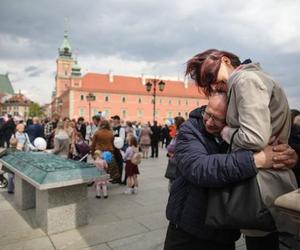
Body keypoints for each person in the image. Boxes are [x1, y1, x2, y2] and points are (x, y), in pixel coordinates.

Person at [186, 49, 298, 249]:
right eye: (206, 83)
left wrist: (227, 131)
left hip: (260, 189)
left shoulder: (244, 80)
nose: (212, 85)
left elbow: (254, 137)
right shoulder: (252, 78)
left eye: (210, 76)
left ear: (225, 60)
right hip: (267, 182)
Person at [164, 93, 298, 250]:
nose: (208, 122)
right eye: (207, 113)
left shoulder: (244, 135)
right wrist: (256, 160)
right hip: (187, 232)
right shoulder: (191, 128)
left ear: (233, 119)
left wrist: (289, 157)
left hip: (224, 231)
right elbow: (199, 168)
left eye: (217, 119)